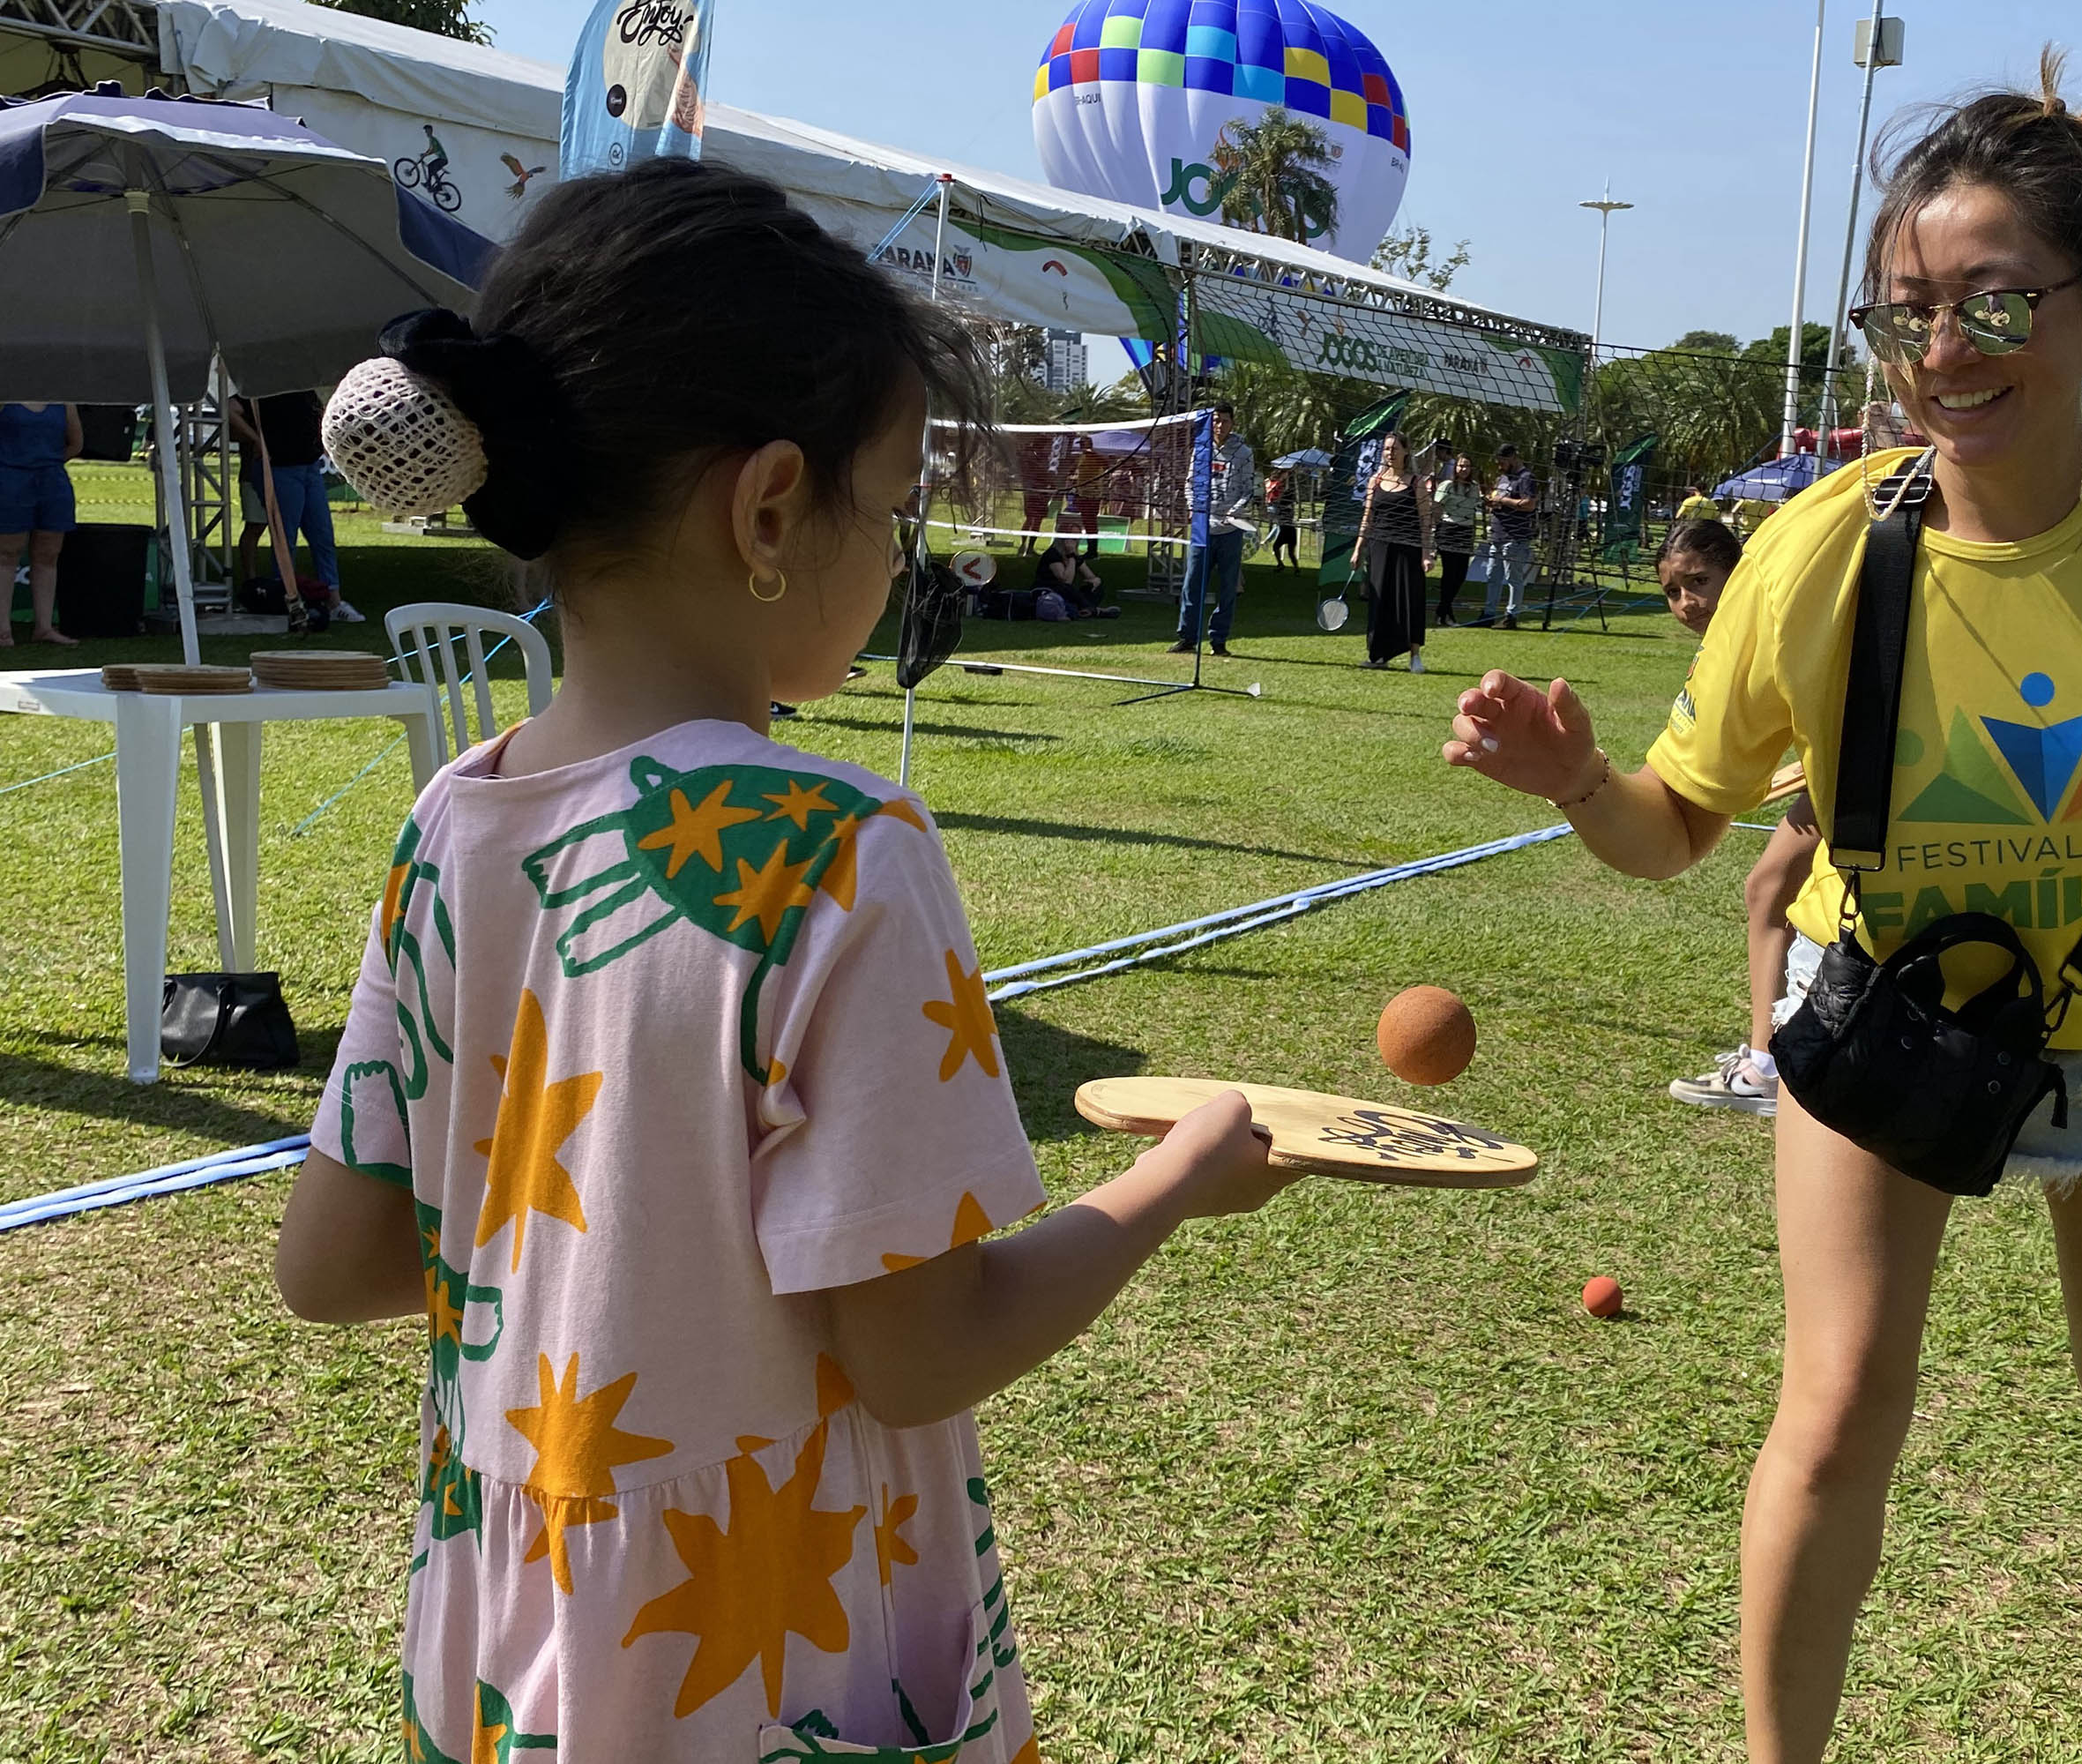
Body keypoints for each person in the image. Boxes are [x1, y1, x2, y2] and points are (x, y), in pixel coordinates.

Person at [1441, 54, 2082, 1764]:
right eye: (1906, 311)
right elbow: (1672, 830)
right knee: (1836, 1410)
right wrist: (1575, 780)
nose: (1944, 349)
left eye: (1995, 300)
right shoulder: (1815, 553)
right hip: (1883, 1027)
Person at [273, 160, 1292, 1763]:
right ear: (767, 511)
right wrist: (1173, 1181)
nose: (895, 557)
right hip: (763, 1649)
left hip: (501, 1646)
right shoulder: (838, 845)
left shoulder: (453, 826)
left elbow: (329, 1265)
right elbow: (920, 1350)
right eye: (888, 508)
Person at [1645, 519, 1825, 1117]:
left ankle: (1769, 1067)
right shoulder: (1732, 639)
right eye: (1673, 591)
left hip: (1878, 774)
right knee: (1771, 890)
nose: (1687, 602)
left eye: (1700, 581)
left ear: (1739, 572)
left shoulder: (1769, 619)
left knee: (1769, 889)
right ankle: (1781, 1057)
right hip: (1855, 771)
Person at [228, 386, 363, 623]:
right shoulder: (262, 388)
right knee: (285, 537)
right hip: (280, 468)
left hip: (309, 466)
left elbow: (318, 413)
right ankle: (289, 600)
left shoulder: (302, 387)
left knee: (322, 536)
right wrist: (256, 439)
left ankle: (334, 601)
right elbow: (230, 409)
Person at [1171, 402, 1257, 657]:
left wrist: (1233, 513)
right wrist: (1192, 507)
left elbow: (1248, 490)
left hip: (1230, 530)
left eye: (1225, 421)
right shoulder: (1201, 450)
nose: (1220, 425)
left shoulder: (1244, 453)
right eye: (1216, 421)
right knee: (1192, 584)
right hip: (1202, 528)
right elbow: (1189, 483)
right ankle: (1187, 638)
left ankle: (1218, 640)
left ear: (1233, 424)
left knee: (1228, 587)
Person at [1351, 430, 1436, 671]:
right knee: (1380, 602)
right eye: (1387, 449)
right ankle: (1379, 656)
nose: (1390, 453)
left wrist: (1426, 554)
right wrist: (1358, 549)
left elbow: (1426, 521)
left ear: (1406, 451)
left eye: (1395, 448)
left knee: (1410, 601)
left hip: (1408, 551)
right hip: (1379, 549)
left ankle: (1414, 656)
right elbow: (1367, 518)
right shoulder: (1374, 481)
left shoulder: (1417, 483)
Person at [0, 400, 83, 647]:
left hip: (52, 481)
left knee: (48, 555)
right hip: (10, 480)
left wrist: (45, 463)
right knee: (6, 555)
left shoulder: (64, 400)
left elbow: (76, 443)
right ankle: (3, 630)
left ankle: (44, 627)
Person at [1474, 441, 1537, 627]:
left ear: (1513, 458)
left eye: (1502, 462)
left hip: (1515, 538)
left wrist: (1503, 500)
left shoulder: (1526, 478)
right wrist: (1492, 502)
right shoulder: (1502, 478)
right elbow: (1500, 500)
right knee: (1492, 577)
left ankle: (1511, 616)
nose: (1499, 466)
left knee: (1513, 578)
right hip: (1497, 535)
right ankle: (1488, 614)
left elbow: (1530, 504)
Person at [1430, 452, 1481, 626]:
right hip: (1448, 529)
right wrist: (1436, 530)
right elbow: (1436, 507)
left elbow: (1473, 512)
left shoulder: (1474, 487)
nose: (1464, 469)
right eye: (1461, 465)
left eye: (1467, 466)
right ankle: (1446, 613)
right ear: (1455, 467)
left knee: (1460, 575)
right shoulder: (1447, 485)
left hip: (1465, 531)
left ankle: (1442, 610)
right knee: (1449, 573)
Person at [1034, 532, 1116, 617]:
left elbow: (1091, 576)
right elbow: (1066, 580)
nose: (1073, 542)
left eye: (1076, 538)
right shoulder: (1053, 554)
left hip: (1067, 592)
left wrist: (1096, 581)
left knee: (1096, 587)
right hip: (1049, 591)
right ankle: (1094, 610)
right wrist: (1071, 556)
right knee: (1067, 588)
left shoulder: (1076, 557)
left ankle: (1085, 610)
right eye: (1071, 538)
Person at [1265, 465, 1299, 569]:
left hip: (1285, 530)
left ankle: (1281, 564)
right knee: (1291, 553)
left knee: (1276, 548)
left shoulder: (1281, 506)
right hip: (1291, 530)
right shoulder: (1289, 507)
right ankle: (1296, 568)